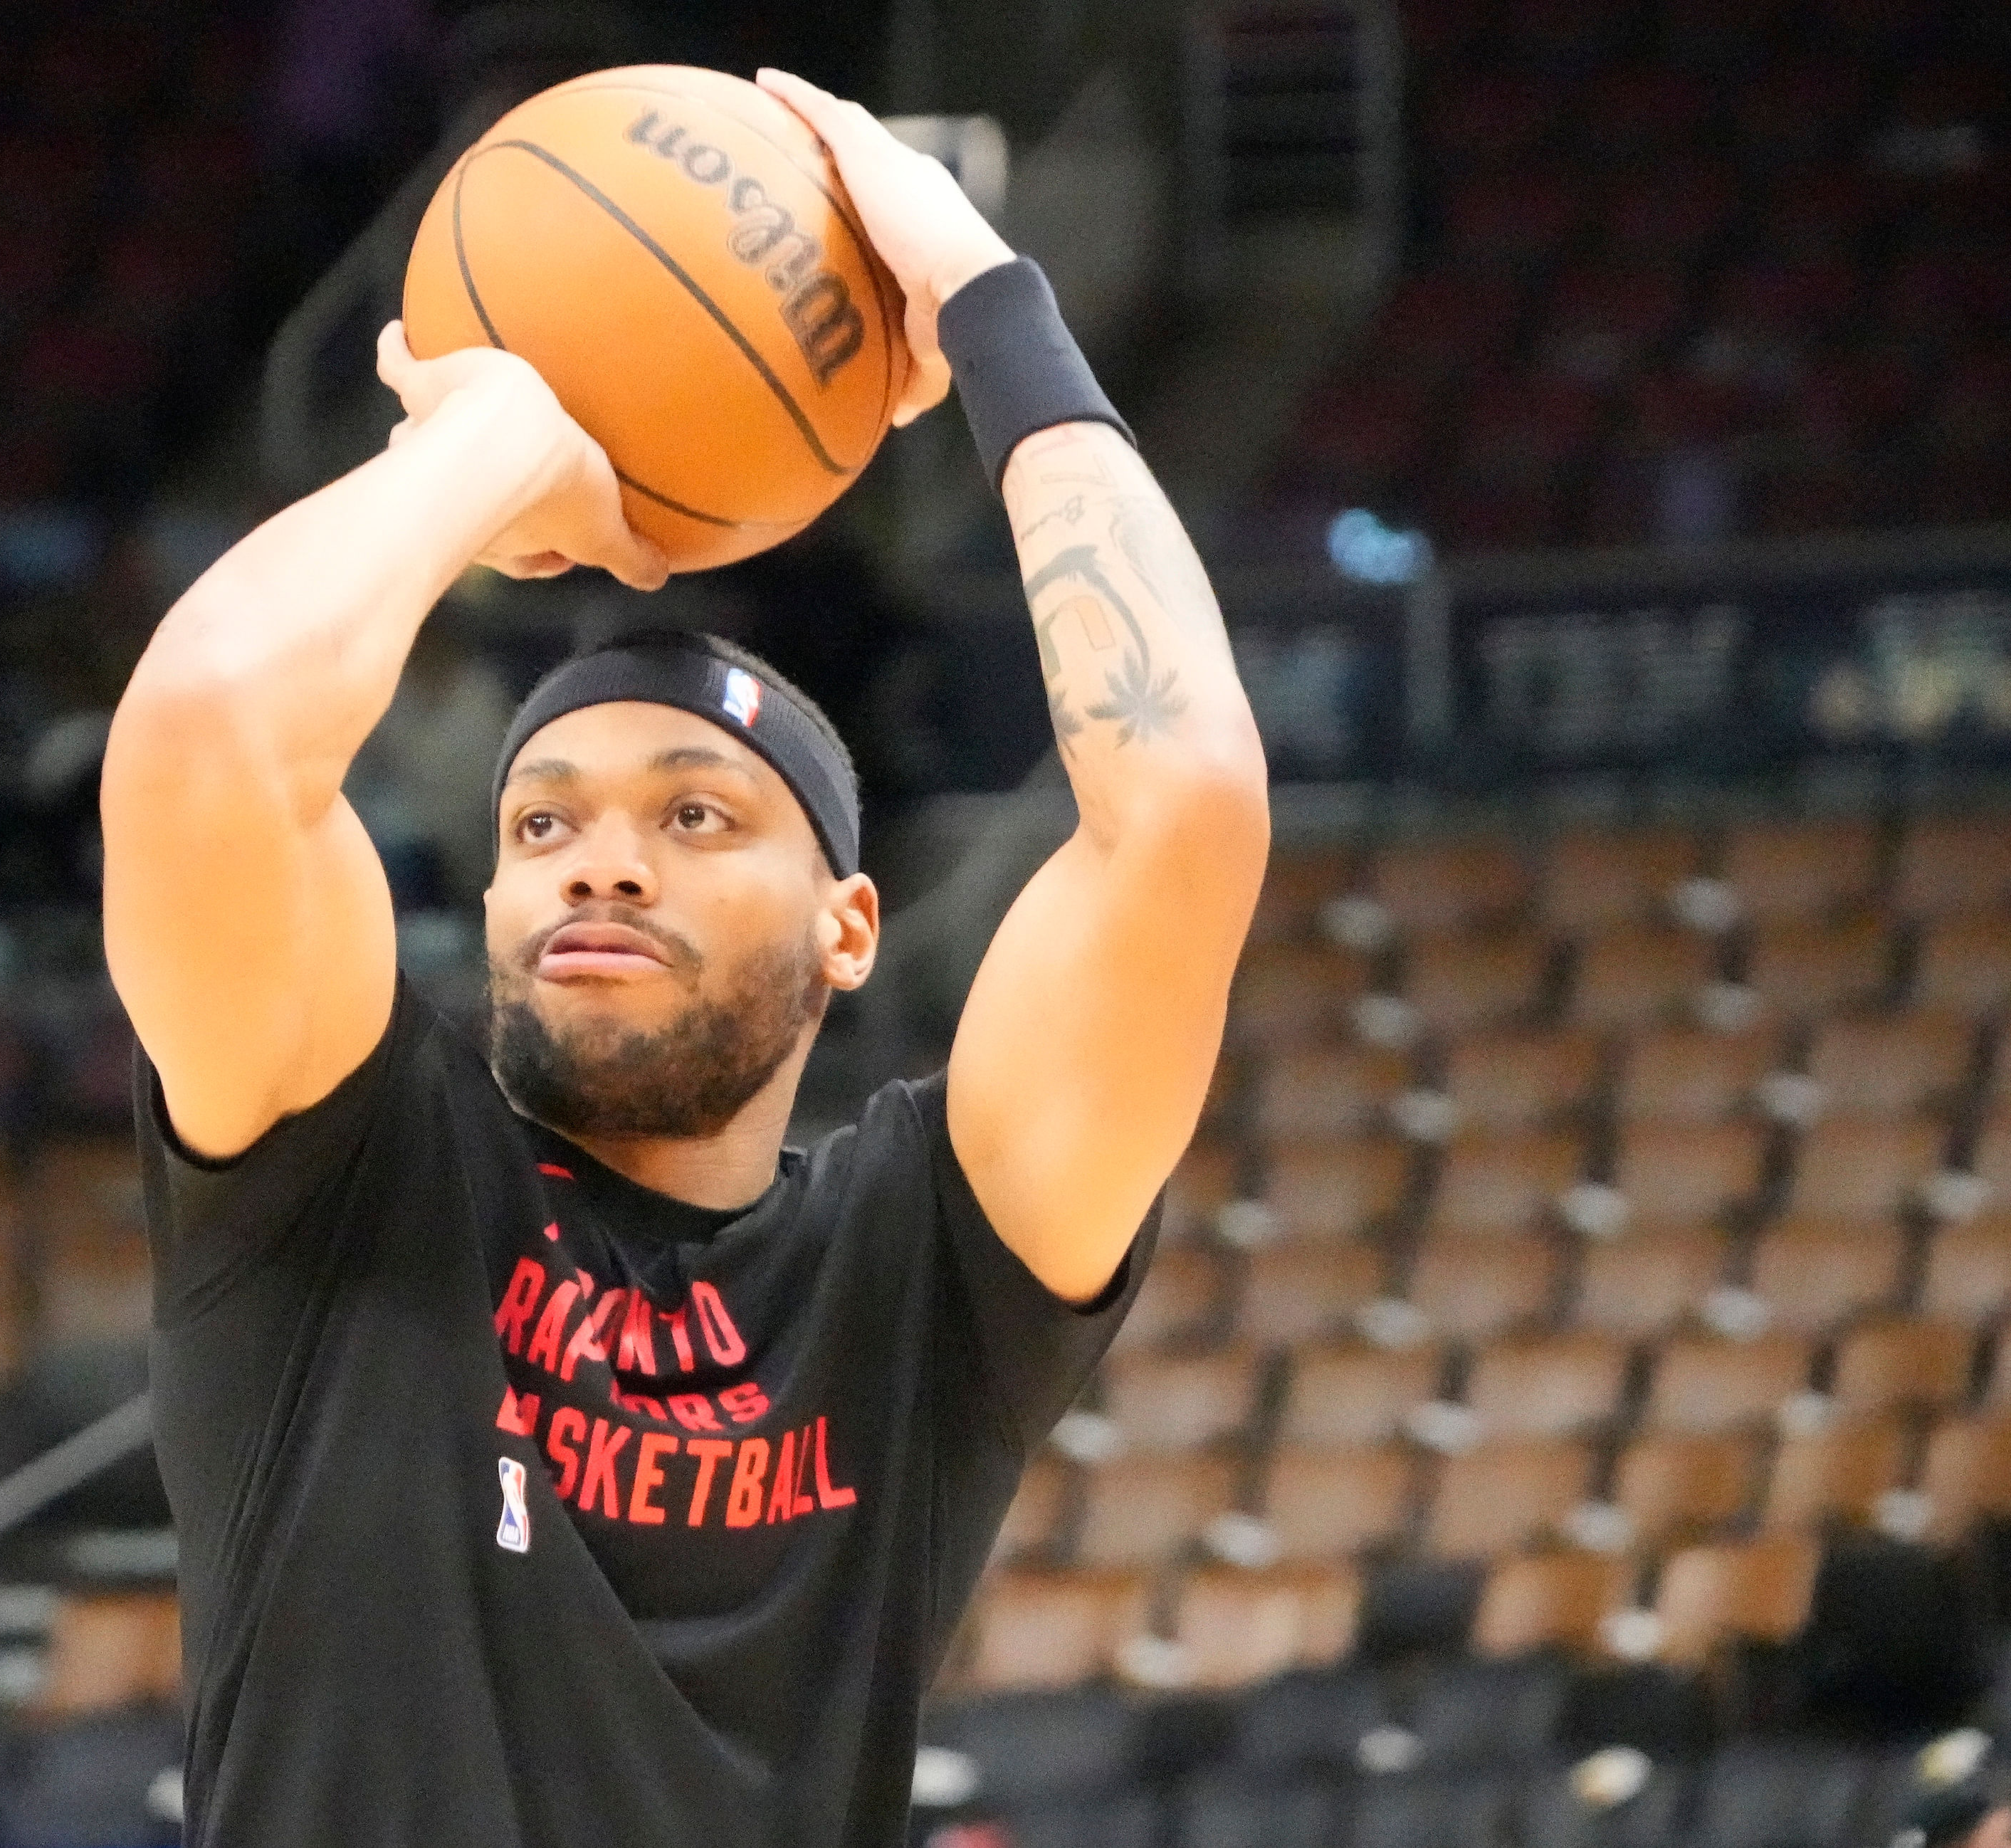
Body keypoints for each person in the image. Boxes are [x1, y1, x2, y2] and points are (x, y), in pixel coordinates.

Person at [101, 67, 1269, 1848]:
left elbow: (1182, 801)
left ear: (849, 924)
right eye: (541, 824)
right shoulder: (339, 1173)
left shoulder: (918, 1280)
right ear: (485, 907)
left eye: (699, 817)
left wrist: (988, 301)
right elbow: (200, 738)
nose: (603, 864)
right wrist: (490, 442)